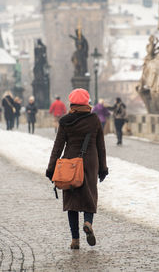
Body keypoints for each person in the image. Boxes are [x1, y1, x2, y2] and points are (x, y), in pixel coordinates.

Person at [46, 88, 108, 249]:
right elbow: (101, 146)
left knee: (71, 201)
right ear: (87, 102)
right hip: (90, 162)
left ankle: (75, 240)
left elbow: (57, 146)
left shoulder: (65, 121)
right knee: (89, 195)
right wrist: (103, 168)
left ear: (71, 102)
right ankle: (88, 222)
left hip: (70, 162)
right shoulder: (94, 120)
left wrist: (51, 168)